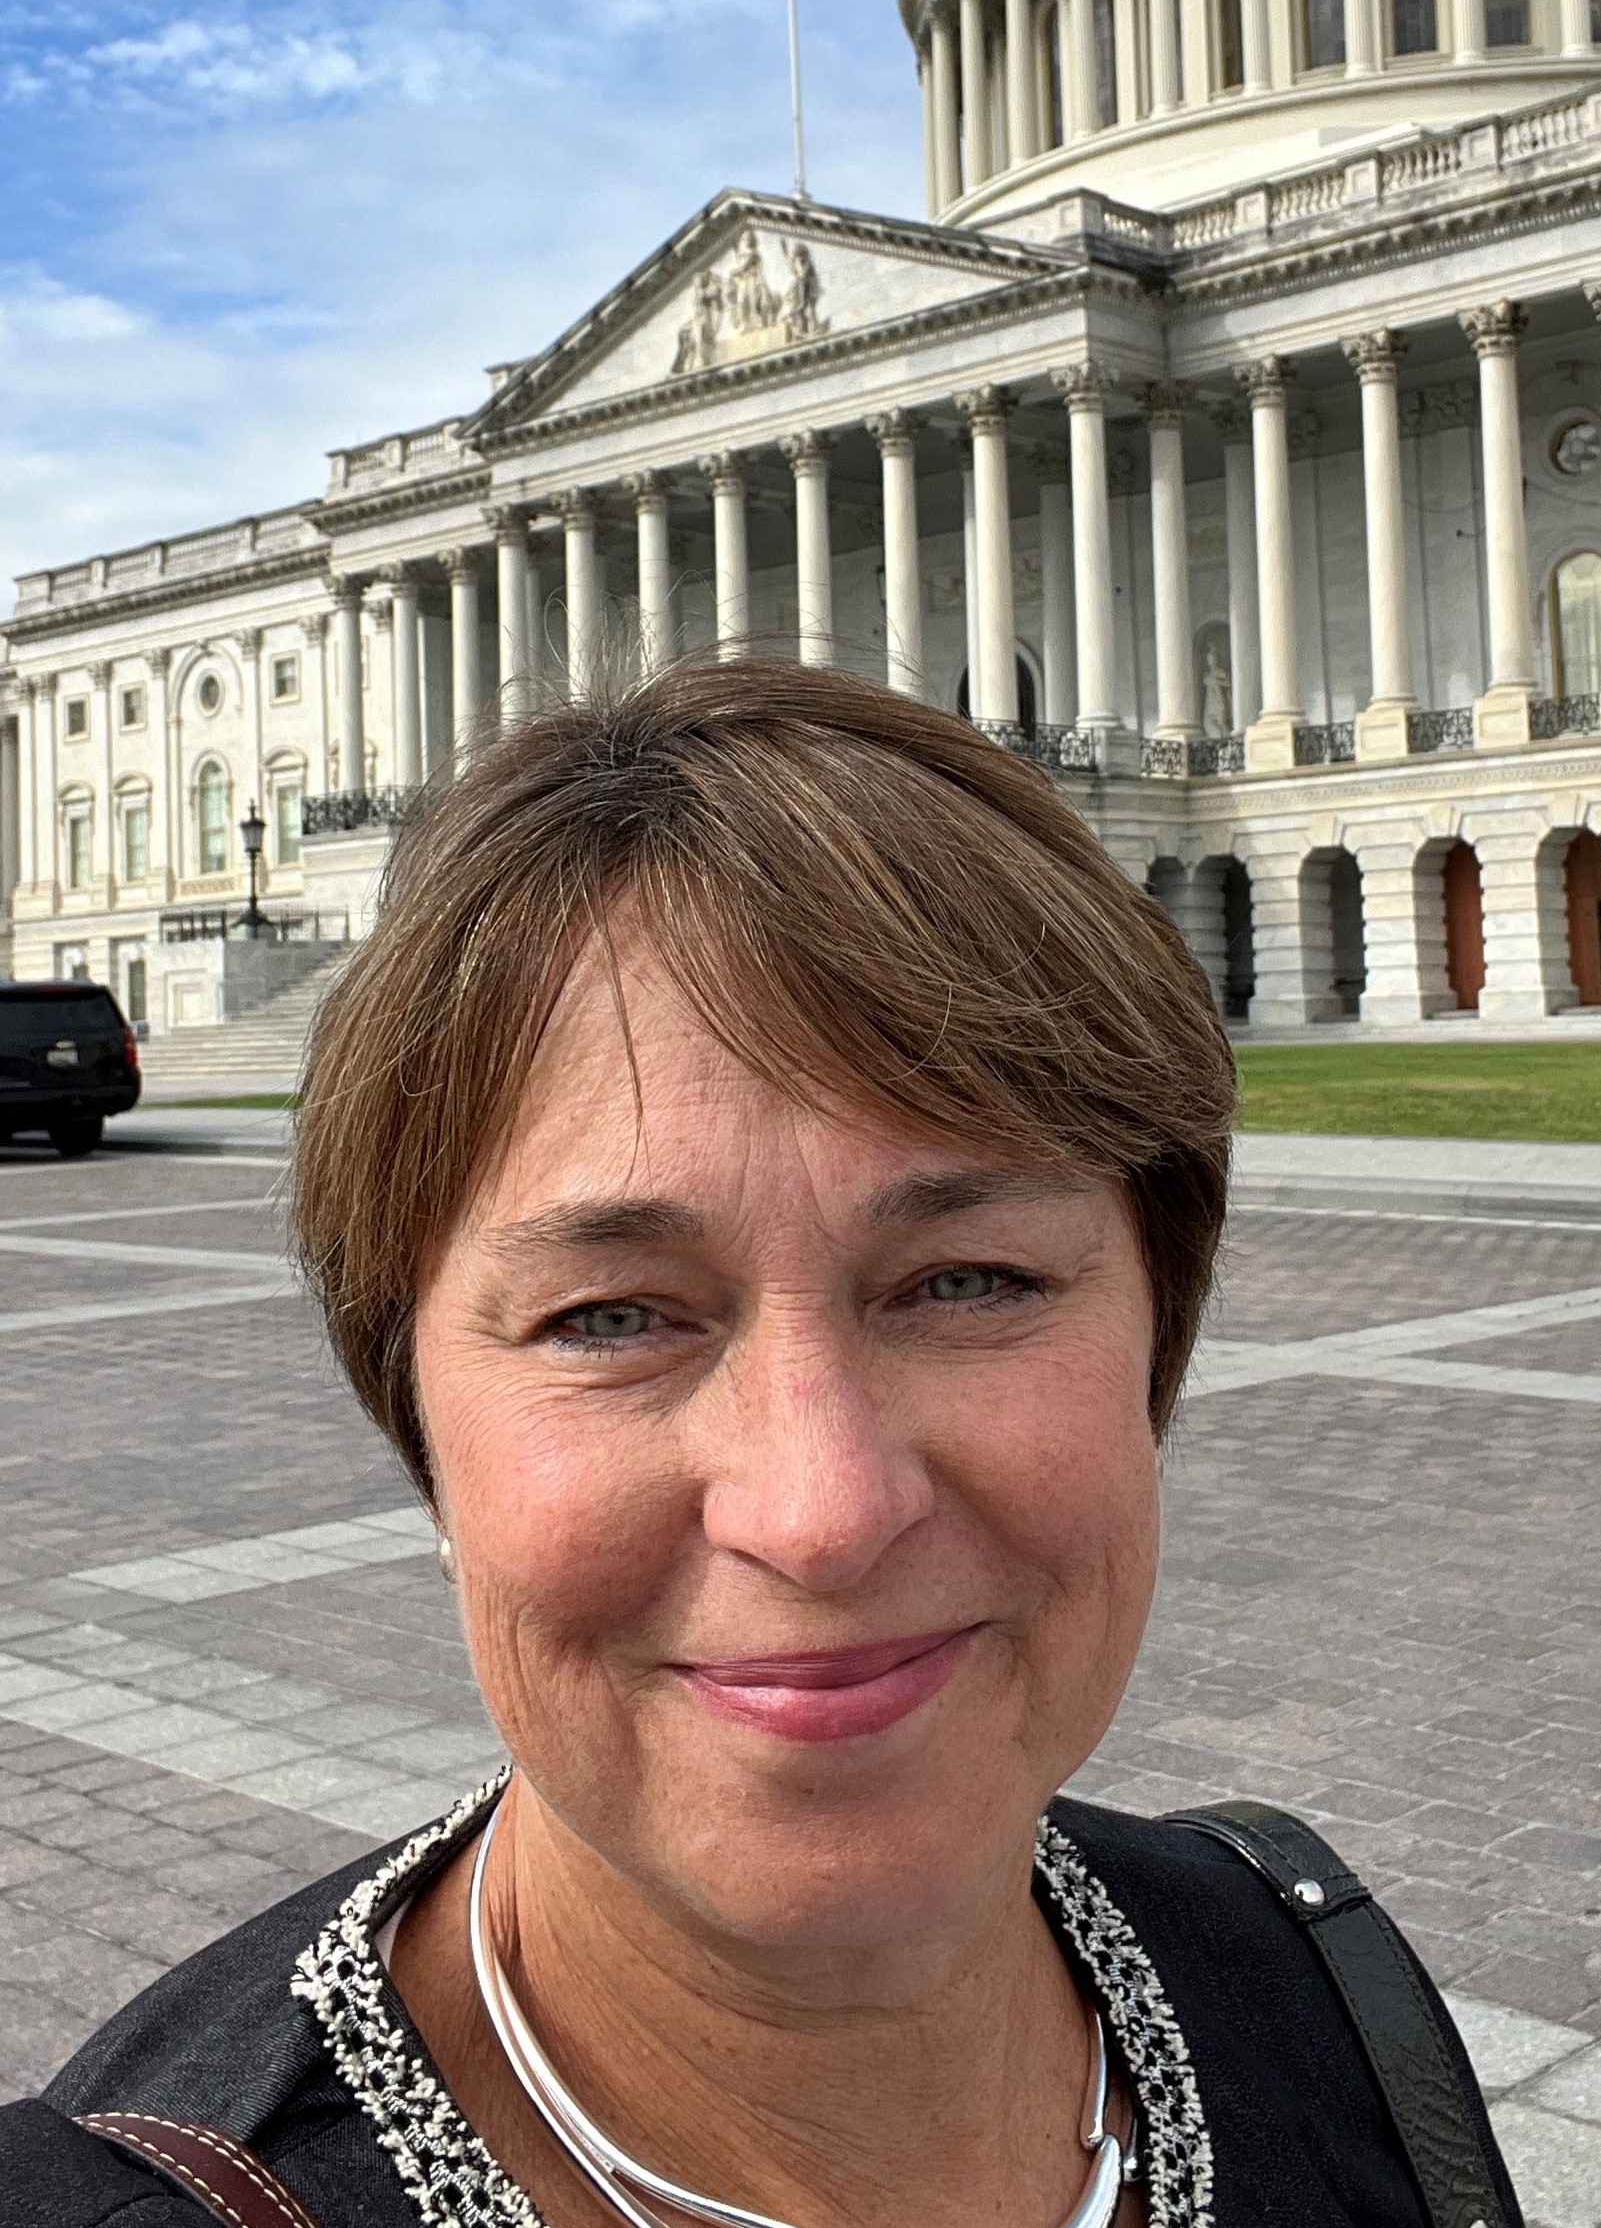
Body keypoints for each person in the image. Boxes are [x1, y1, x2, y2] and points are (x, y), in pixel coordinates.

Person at [7, 662, 1519, 2228]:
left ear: (1156, 1336)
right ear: (421, 1429)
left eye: (968, 1281)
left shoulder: (1310, 1978)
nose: (821, 1509)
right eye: (608, 1316)